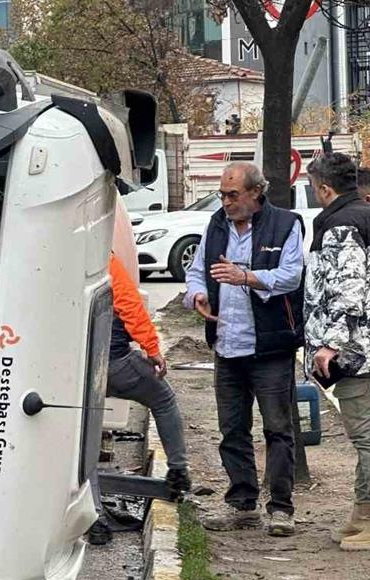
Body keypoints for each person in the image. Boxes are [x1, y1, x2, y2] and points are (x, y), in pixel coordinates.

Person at [184, 161, 305, 537]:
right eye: (222, 195)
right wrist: (197, 294)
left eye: (232, 195)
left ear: (256, 192)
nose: (226, 202)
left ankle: (281, 508)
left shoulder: (285, 224)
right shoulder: (216, 224)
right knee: (232, 429)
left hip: (270, 347)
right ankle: (242, 504)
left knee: (277, 429)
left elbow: (291, 275)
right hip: (227, 344)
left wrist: (247, 277)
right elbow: (197, 270)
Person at [87, 253, 192, 545]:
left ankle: (94, 516)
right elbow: (129, 304)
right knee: (163, 399)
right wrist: (152, 348)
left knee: (81, 441)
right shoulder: (102, 257)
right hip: (114, 363)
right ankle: (178, 471)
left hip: (70, 369)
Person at [303, 153, 370, 551]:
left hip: (355, 352)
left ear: (325, 189)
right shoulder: (361, 216)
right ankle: (361, 516)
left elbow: (348, 287)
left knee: (365, 437)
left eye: (313, 187)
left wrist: (330, 344)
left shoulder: (342, 225)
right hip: (361, 346)